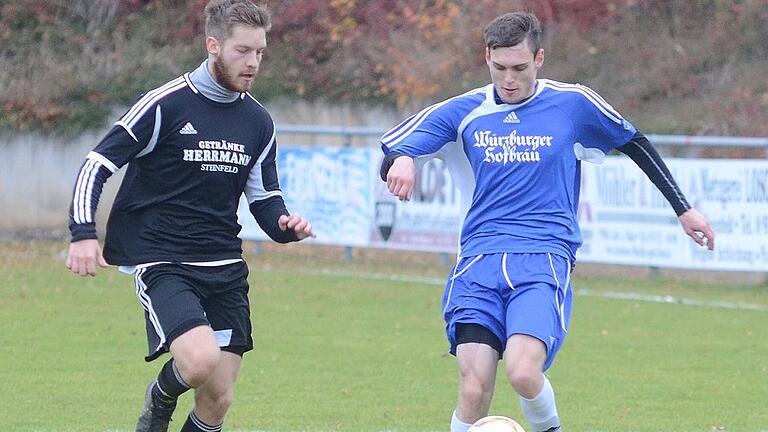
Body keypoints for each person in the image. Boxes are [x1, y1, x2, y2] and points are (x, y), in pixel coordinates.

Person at [379, 11, 715, 432]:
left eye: (519, 68)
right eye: (499, 68)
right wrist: (403, 161)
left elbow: (634, 142)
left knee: (522, 372)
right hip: (477, 262)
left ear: (539, 58)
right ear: (487, 57)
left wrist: (684, 208)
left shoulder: (572, 103)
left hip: (542, 259)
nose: (509, 79)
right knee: (473, 388)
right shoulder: (464, 110)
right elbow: (395, 148)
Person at [65, 1, 315, 431]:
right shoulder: (165, 104)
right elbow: (98, 164)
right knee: (199, 362)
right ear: (213, 45)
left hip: (224, 265)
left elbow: (265, 199)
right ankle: (160, 396)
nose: (253, 62)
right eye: (243, 51)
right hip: (163, 258)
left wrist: (284, 226)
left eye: (260, 52)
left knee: (218, 399)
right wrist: (83, 232)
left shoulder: (258, 121)